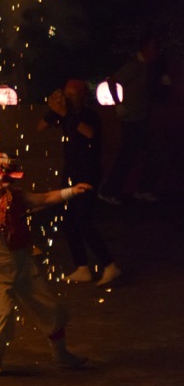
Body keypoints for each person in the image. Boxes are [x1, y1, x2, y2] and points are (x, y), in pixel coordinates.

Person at [0, 152, 90, 375]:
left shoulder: (17, 197)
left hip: (23, 264)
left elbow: (46, 198)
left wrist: (71, 191)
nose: (9, 180)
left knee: (51, 310)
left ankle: (60, 354)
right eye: (4, 174)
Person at [39, 80, 121, 286]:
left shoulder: (88, 115)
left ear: (83, 96)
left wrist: (65, 113)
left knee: (83, 220)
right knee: (68, 221)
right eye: (66, 94)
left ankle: (110, 265)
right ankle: (82, 268)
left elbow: (89, 133)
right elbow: (40, 127)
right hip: (71, 172)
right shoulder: (64, 113)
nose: (69, 98)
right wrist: (54, 109)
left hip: (88, 173)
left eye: (73, 95)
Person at [99, 35, 168, 204]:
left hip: (140, 119)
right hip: (132, 120)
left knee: (144, 154)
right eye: (153, 48)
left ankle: (136, 189)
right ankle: (110, 191)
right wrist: (118, 104)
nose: (155, 52)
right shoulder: (134, 66)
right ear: (145, 48)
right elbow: (112, 81)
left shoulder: (147, 67)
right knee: (130, 156)